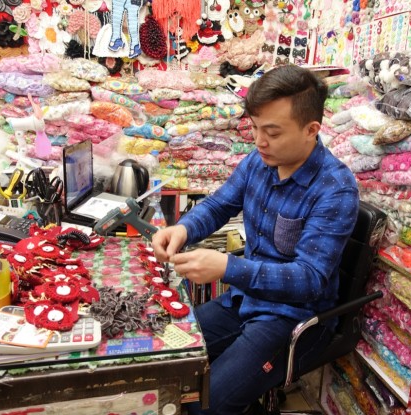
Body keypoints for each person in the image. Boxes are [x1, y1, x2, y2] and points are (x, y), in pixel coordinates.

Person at [151, 65, 359, 415]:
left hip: (292, 320)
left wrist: (228, 267)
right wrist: (183, 229)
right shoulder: (260, 161)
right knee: (163, 354)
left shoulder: (335, 189)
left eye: (273, 132)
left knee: (207, 404)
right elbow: (219, 204)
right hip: (243, 301)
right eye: (256, 128)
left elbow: (308, 280)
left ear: (312, 130)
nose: (259, 141)